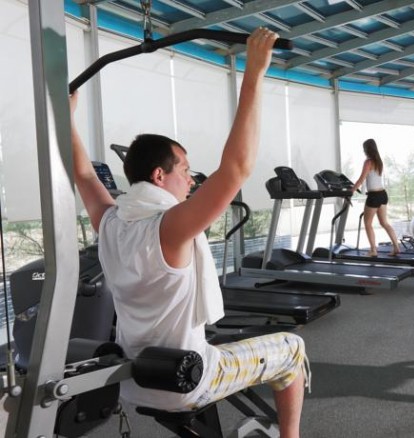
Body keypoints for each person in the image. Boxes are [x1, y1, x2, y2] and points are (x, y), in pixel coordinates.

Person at [70, 28, 306, 437]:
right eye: (184, 169)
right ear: (159, 176)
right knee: (292, 349)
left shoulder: (110, 222)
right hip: (187, 380)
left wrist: (66, 119)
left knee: (226, 346)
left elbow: (84, 175)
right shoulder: (168, 228)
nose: (192, 179)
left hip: (134, 381)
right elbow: (236, 169)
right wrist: (254, 73)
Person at [350, 139, 401, 257]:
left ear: (367, 149)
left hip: (374, 196)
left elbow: (361, 179)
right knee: (384, 223)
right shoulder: (379, 162)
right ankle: (396, 247)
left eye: (364, 148)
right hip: (382, 194)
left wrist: (351, 191)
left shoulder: (368, 162)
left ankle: (373, 250)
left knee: (368, 223)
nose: (363, 151)